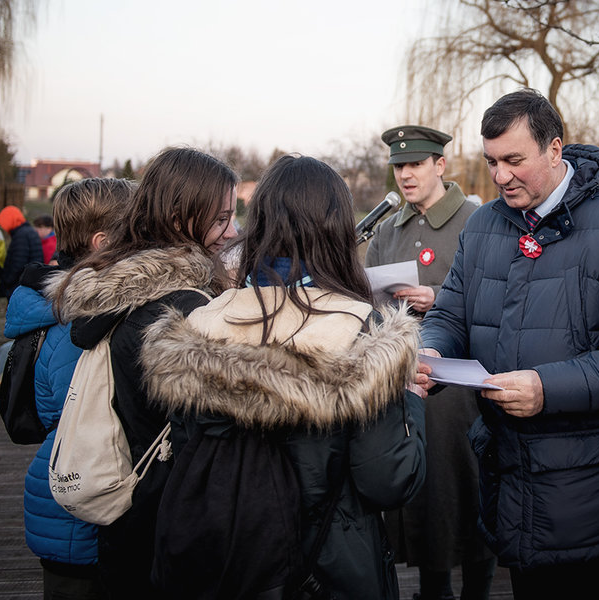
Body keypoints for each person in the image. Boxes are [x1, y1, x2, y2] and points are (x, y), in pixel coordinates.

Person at [414, 88, 599, 599]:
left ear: (555, 149)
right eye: (491, 162)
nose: (500, 176)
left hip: (598, 498)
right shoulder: (484, 225)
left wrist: (546, 389)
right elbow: (449, 314)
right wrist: (433, 351)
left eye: (514, 160)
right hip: (513, 486)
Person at [139, 154, 426, 599]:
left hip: (225, 562)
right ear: (335, 229)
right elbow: (388, 480)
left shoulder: (201, 321)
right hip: (331, 570)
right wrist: (410, 400)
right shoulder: (360, 329)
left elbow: (185, 447)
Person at [47, 147, 239, 599]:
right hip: (175, 530)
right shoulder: (183, 308)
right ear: (178, 219)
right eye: (221, 219)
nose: (232, 232)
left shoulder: (119, 290)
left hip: (130, 521)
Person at [367, 125, 495, 600]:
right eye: (399, 166)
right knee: (422, 495)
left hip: (462, 387)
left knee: (466, 488)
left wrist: (437, 296)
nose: (406, 175)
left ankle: (478, 591)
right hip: (406, 382)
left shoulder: (476, 221)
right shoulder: (386, 231)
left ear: (440, 165)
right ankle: (433, 591)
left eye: (416, 164)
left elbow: (498, 293)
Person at [4, 178, 134, 600]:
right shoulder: (79, 325)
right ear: (102, 242)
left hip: (59, 496)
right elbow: (88, 413)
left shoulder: (53, 308)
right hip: (81, 505)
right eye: (135, 228)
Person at [0, 205, 44, 298]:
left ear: (10, 220)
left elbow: (17, 263)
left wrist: (7, 281)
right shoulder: (28, 231)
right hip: (30, 282)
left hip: (18, 285)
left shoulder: (21, 236)